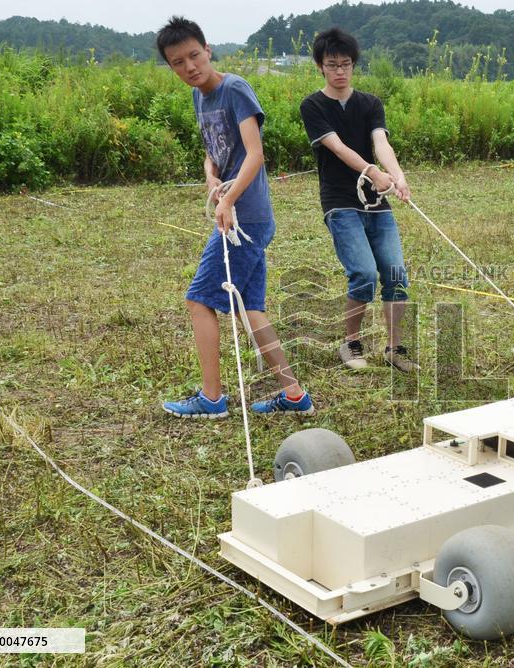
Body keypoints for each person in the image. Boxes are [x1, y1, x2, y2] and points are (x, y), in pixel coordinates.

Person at [156, 17, 314, 417]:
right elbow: (214, 151)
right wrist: (212, 177)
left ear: (208, 50)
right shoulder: (199, 97)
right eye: (178, 62)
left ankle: (212, 398)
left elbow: (255, 154)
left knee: (198, 300)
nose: (190, 66)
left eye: (194, 55)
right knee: (251, 308)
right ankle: (294, 395)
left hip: (247, 218)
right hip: (241, 214)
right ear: (171, 67)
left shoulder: (235, 89)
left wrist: (228, 202)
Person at [298, 27, 418, 372]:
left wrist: (397, 175)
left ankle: (394, 349)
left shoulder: (370, 103)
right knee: (364, 273)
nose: (340, 71)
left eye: (346, 64)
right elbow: (335, 146)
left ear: (353, 65)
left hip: (376, 204)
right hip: (340, 203)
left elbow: (381, 142)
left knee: (395, 274)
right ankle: (351, 343)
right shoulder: (313, 105)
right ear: (320, 66)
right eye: (332, 64)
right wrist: (372, 171)